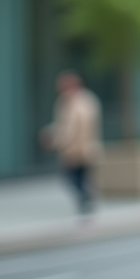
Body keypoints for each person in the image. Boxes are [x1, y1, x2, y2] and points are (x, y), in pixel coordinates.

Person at [41, 71, 102, 214]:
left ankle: (86, 201)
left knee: (75, 179)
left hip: (80, 150)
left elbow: (71, 129)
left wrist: (54, 139)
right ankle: (86, 201)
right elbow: (62, 125)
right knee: (77, 179)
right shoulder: (67, 101)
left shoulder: (81, 103)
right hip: (75, 150)